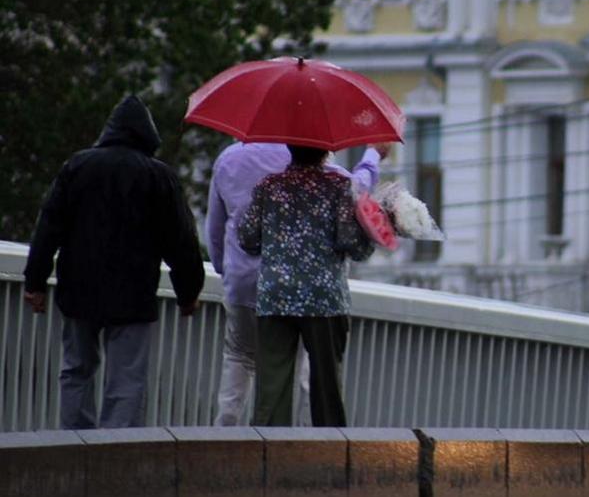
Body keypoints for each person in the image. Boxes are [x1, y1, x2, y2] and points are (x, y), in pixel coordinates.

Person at [23, 94, 205, 429]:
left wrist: (35, 281)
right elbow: (181, 241)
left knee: (76, 369)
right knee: (127, 379)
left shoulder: (77, 166)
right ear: (147, 136)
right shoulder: (158, 176)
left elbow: (48, 227)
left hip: (78, 287)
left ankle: (73, 446)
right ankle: (115, 453)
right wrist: (188, 292)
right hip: (133, 293)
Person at [206, 142, 387, 425]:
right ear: (326, 150)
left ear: (291, 148)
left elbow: (248, 240)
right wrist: (373, 237)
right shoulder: (338, 185)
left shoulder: (269, 186)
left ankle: (268, 450)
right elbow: (353, 245)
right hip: (323, 300)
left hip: (274, 297)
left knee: (271, 386)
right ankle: (324, 450)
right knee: (324, 383)